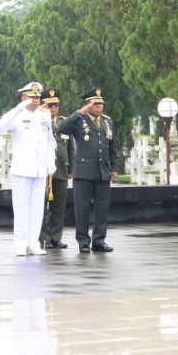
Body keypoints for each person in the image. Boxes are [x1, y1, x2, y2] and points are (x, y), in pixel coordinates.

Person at [0, 82, 57, 256]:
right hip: (22, 169)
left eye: (37, 97)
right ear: (23, 98)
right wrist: (18, 108)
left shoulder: (44, 116)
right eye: (31, 97)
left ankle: (34, 243)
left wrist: (51, 161)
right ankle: (20, 243)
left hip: (40, 169)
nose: (35, 100)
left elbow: (50, 141)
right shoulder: (17, 115)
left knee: (37, 208)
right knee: (22, 208)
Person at [59, 87, 119, 252]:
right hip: (84, 171)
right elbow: (62, 128)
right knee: (82, 208)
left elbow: (113, 147)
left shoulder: (107, 122)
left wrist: (114, 167)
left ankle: (99, 240)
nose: (100, 107)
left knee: (102, 208)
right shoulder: (79, 120)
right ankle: (83, 241)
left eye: (101, 104)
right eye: (96, 104)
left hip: (103, 171)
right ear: (87, 105)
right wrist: (79, 113)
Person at [39, 88, 74, 248]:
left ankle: (55, 237)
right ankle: (42, 237)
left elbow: (70, 148)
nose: (53, 108)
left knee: (59, 206)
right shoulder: (39, 121)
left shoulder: (63, 123)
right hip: (43, 170)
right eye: (50, 105)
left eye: (56, 105)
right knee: (41, 206)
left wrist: (71, 169)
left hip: (60, 169)